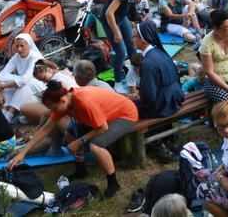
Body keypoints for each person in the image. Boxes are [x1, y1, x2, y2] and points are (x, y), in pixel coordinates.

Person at [8, 80, 138, 199]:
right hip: (102, 116)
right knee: (69, 134)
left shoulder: (84, 101)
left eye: (53, 108)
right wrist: (23, 153)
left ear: (62, 101)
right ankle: (81, 170)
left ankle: (113, 183)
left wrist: (80, 141)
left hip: (124, 115)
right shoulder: (66, 100)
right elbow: (46, 129)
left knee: (96, 146)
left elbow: (102, 128)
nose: (52, 111)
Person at [132, 20, 184, 118]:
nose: (132, 40)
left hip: (163, 105)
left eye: (134, 37)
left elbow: (148, 95)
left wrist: (137, 98)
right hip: (176, 97)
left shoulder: (147, 63)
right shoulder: (160, 52)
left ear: (143, 39)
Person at [99, 0, 139, 84]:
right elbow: (108, 13)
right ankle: (117, 83)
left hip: (121, 18)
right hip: (110, 20)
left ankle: (135, 72)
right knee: (121, 52)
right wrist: (116, 32)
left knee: (131, 45)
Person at [0, 33, 45, 123]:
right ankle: (4, 109)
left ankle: (10, 114)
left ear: (29, 45)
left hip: (39, 88)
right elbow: (2, 74)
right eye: (17, 46)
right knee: (6, 78)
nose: (19, 49)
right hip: (25, 84)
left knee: (25, 82)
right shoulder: (17, 56)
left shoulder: (35, 58)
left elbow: (24, 80)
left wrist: (2, 87)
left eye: (22, 46)